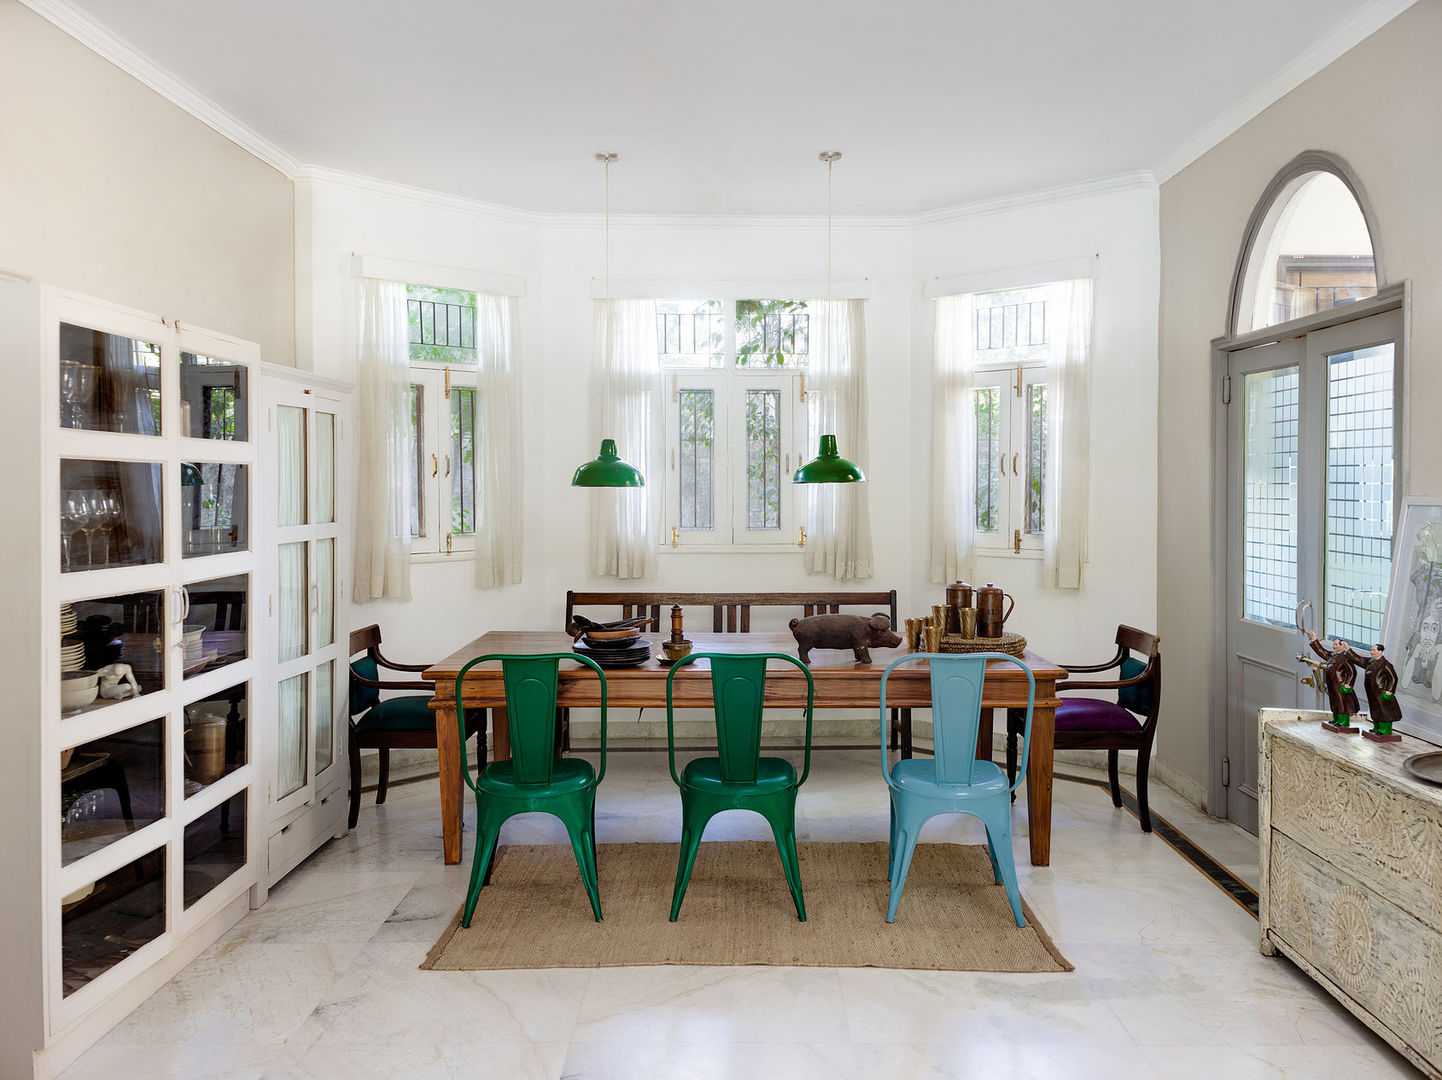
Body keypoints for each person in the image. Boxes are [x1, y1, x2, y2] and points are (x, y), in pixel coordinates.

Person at [1307, 631, 1360, 728]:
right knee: (1335, 702)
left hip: (1341, 685)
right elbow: (1322, 652)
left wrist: (1348, 684)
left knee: (1342, 703)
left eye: (1336, 644)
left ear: (1342, 646)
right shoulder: (1332, 655)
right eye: (1333, 644)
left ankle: (1343, 721)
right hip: (1332, 684)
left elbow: (1352, 672)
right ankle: (1336, 719)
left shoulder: (1346, 658)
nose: (1334, 646)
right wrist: (1314, 640)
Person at [1349, 643, 1402, 737]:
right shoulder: (1370, 661)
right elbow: (1359, 660)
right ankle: (1377, 727)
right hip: (1372, 692)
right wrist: (1348, 650)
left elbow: (1393, 678)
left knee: (1384, 711)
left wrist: (1389, 690)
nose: (1371, 652)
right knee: (1375, 710)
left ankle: (1385, 729)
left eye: (1374, 650)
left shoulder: (1386, 664)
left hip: (1381, 692)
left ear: (1380, 652)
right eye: (1371, 650)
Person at [1399, 602, 1442, 703]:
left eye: (1434, 629)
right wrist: (1415, 654)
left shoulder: (1439, 649)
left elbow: (1436, 696)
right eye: (1425, 628)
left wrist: (1440, 658)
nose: (1427, 636)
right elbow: (1404, 684)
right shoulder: (1414, 642)